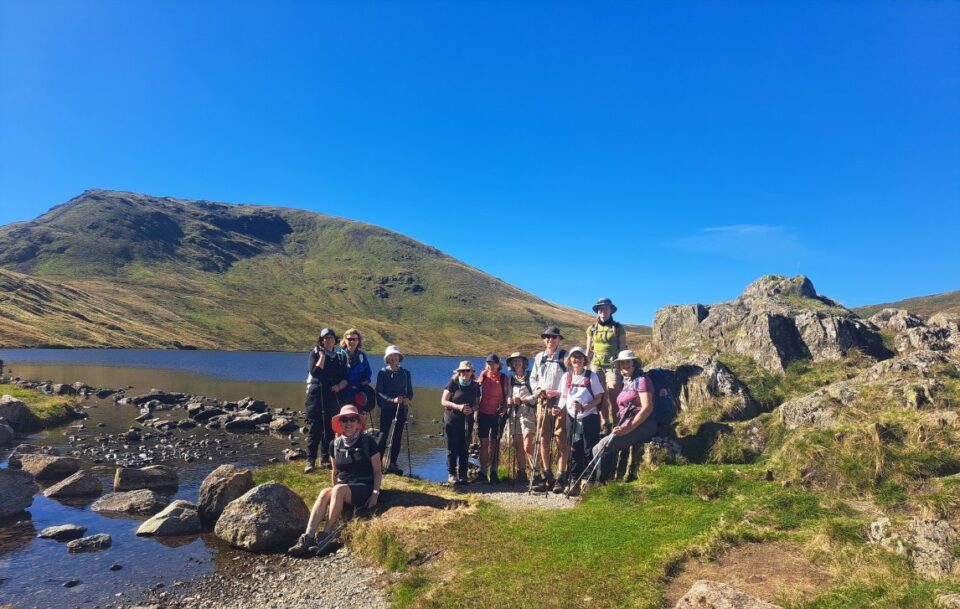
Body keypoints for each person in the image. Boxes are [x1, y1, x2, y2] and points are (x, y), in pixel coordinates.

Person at [289, 404, 382, 557]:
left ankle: (327, 535)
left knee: (338, 490)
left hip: (363, 487)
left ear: (358, 423)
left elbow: (378, 471)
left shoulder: (368, 442)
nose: (349, 423)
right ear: (340, 423)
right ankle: (308, 537)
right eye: (345, 419)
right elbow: (335, 471)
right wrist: (334, 496)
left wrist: (375, 494)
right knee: (325, 491)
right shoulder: (335, 444)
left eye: (353, 419)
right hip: (343, 488)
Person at [589, 350, 658, 486]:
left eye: (628, 362)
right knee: (596, 448)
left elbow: (647, 407)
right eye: (622, 363)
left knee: (602, 447)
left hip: (644, 424)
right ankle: (600, 482)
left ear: (634, 363)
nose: (625, 365)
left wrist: (628, 428)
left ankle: (600, 485)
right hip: (628, 424)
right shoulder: (628, 382)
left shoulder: (642, 380)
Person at [558, 346, 604, 494]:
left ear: (584, 360)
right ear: (569, 360)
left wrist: (585, 407)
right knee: (573, 447)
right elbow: (564, 397)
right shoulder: (566, 377)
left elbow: (598, 398)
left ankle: (588, 480)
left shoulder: (592, 376)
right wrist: (558, 409)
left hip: (589, 416)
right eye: (573, 357)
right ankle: (574, 479)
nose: (576, 359)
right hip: (572, 416)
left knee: (588, 448)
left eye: (579, 357)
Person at [529, 326, 568, 492]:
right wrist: (538, 391)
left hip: (561, 402)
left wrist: (559, 392)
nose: (550, 340)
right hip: (543, 402)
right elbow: (533, 378)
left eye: (553, 337)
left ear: (559, 339)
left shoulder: (565, 357)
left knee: (560, 438)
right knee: (543, 438)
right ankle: (547, 475)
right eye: (547, 337)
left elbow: (571, 379)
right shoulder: (539, 357)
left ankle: (561, 475)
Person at [305, 328, 349, 472]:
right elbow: (315, 372)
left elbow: (345, 378)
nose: (329, 340)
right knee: (315, 428)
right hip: (316, 395)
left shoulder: (340, 356)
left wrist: (339, 386)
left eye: (331, 337)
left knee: (330, 429)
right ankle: (310, 460)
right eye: (326, 338)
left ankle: (326, 459)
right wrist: (322, 356)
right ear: (321, 340)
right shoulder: (315, 353)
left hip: (332, 395)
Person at [586, 298, 627, 434]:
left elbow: (622, 349)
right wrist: (585, 365)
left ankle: (617, 422)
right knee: (600, 394)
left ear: (611, 310)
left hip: (613, 363)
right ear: (598, 311)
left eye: (605, 308)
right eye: (600, 309)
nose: (602, 311)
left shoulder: (618, 327)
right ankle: (605, 423)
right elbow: (588, 349)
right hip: (596, 364)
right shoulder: (591, 329)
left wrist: (623, 366)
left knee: (614, 390)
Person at [375, 345, 413, 475]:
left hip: (401, 409)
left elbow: (410, 392)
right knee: (383, 436)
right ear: (387, 358)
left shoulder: (405, 373)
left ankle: (393, 463)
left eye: (395, 356)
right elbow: (379, 392)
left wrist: (408, 399)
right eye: (391, 356)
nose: (393, 358)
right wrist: (392, 400)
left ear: (399, 358)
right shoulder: (382, 373)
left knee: (397, 436)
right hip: (387, 409)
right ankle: (377, 463)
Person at [441, 361, 480, 484]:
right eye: (462, 371)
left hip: (467, 420)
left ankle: (463, 475)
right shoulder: (453, 384)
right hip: (452, 419)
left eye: (467, 371)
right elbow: (443, 401)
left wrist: (472, 409)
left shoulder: (475, 385)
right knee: (452, 447)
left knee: (464, 447)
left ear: (472, 372)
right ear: (458, 372)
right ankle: (452, 474)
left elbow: (477, 403)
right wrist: (459, 407)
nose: (465, 373)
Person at [476, 354, 509, 483]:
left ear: (498, 365)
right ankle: (483, 472)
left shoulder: (503, 378)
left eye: (493, 363)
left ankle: (494, 472)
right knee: (483, 443)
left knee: (495, 444)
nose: (491, 365)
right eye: (489, 363)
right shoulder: (484, 374)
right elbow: (476, 387)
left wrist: (504, 409)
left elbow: (507, 396)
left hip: (497, 415)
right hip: (483, 413)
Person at [506, 352, 537, 483]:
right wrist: (510, 400)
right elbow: (508, 396)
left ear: (525, 363)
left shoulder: (531, 377)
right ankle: (522, 472)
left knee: (527, 445)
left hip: (528, 413)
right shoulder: (511, 380)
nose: (517, 363)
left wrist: (524, 400)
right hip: (514, 414)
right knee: (518, 444)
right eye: (515, 361)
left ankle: (536, 472)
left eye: (519, 361)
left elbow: (537, 394)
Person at [340, 328, 375, 414]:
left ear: (358, 341)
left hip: (359, 393)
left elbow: (368, 371)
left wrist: (366, 380)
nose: (352, 341)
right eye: (349, 339)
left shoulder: (362, 356)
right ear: (345, 340)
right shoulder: (339, 355)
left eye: (354, 339)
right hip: (343, 393)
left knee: (357, 417)